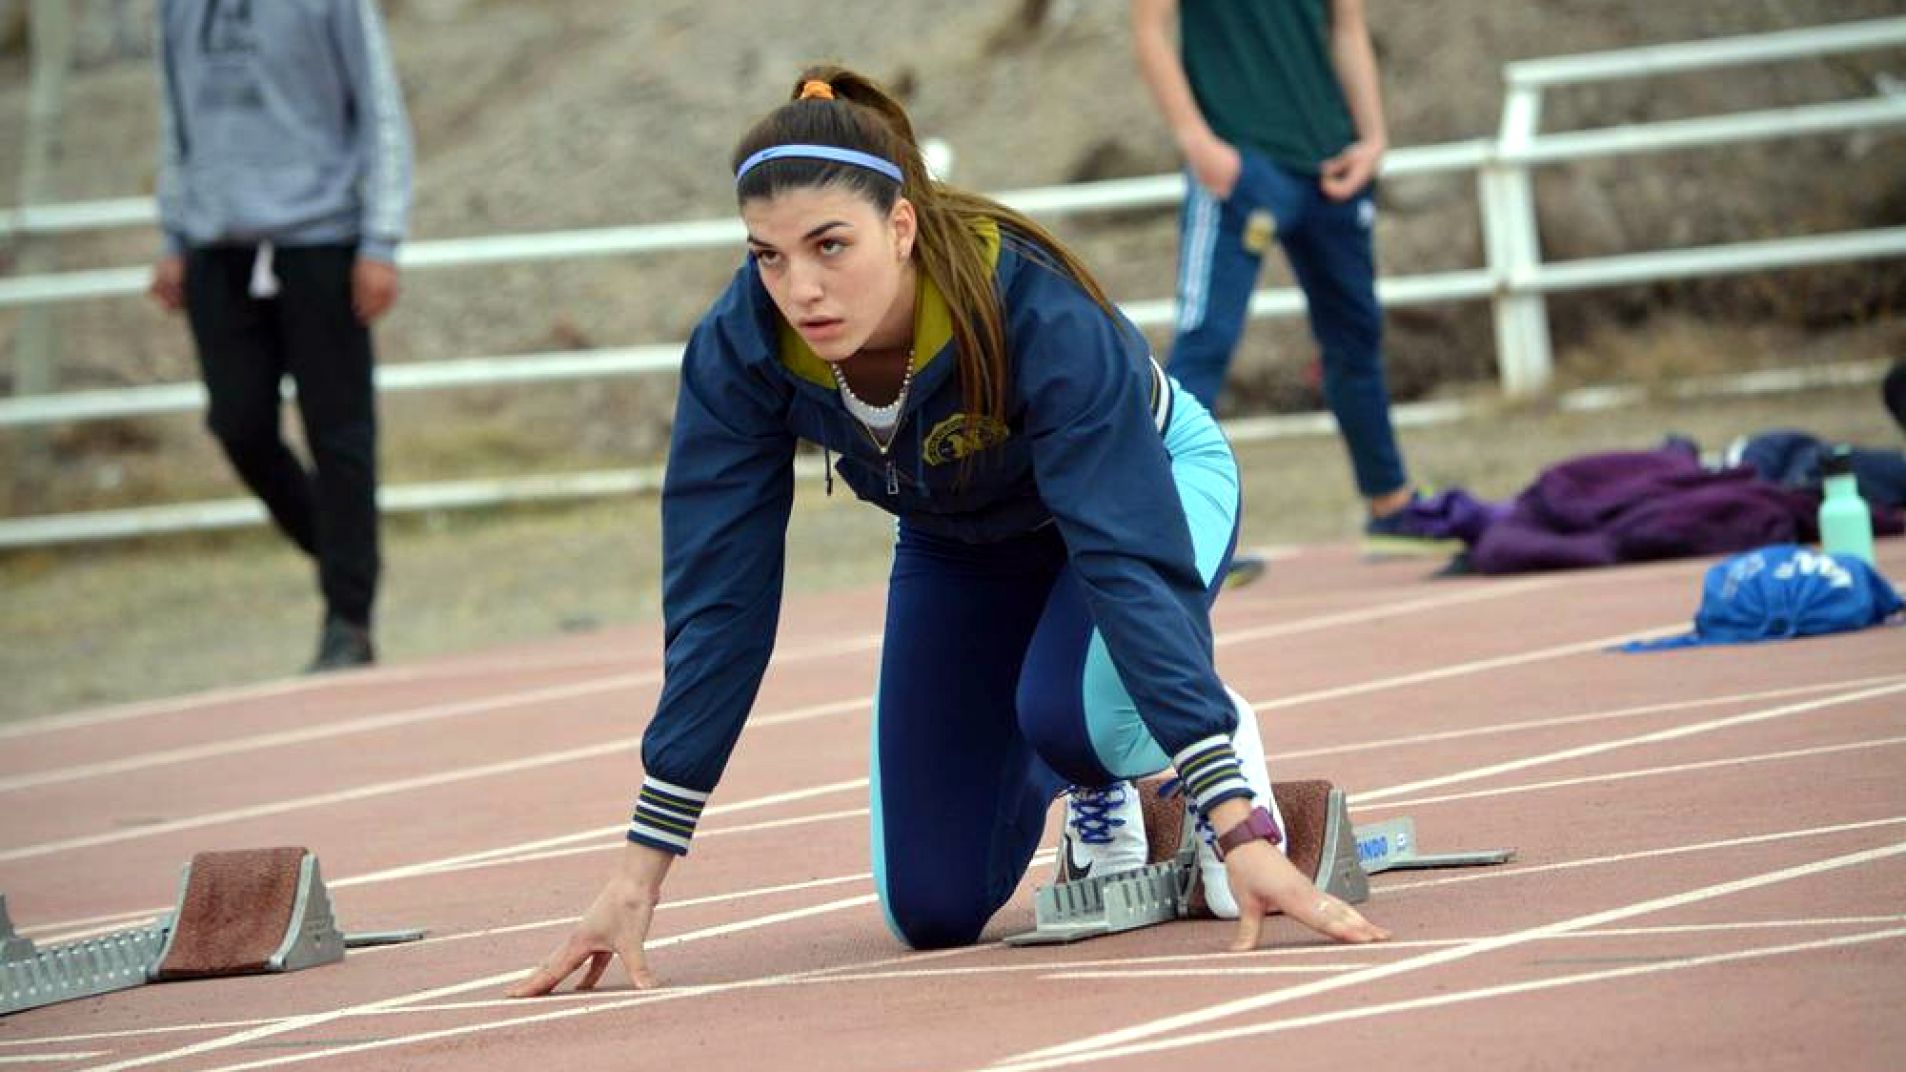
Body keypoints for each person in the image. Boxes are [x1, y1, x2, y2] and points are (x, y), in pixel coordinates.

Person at [509, 67, 1387, 998]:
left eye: (829, 245)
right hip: (960, 543)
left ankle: (1201, 740)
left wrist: (1238, 820)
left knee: (1076, 712)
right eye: (768, 255)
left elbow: (1124, 555)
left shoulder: (1034, 309)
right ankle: (1104, 784)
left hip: (1149, 487)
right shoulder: (743, 348)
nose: (800, 288)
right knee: (930, 908)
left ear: (901, 226)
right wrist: (639, 872)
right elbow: (720, 604)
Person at [1131, 0, 1455, 565]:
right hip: (1240, 167)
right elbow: (1149, 32)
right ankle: (1173, 535)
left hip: (1332, 165)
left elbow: (1347, 28)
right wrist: (1198, 143)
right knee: (1206, 341)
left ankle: (1391, 505)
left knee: (1356, 338)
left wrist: (1373, 139)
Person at [148, 0, 413, 671]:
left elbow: (380, 109)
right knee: (237, 423)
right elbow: (176, 118)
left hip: (321, 237)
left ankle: (348, 620)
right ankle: (346, 555)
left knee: (339, 432)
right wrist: (173, 234)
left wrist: (381, 239)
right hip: (217, 243)